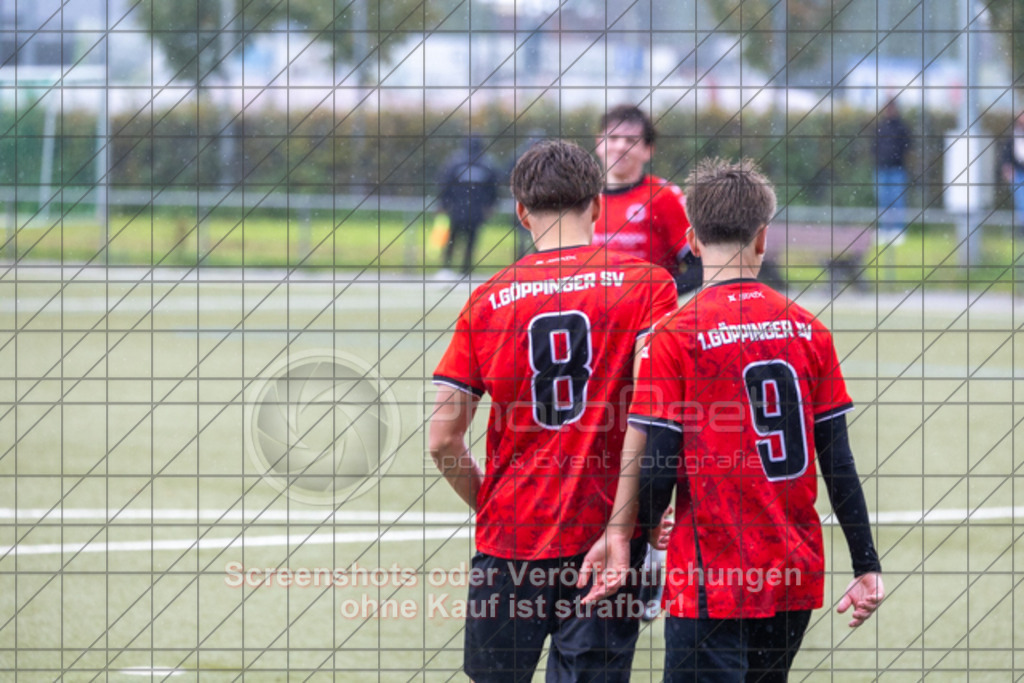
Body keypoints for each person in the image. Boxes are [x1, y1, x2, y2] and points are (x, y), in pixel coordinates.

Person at [579, 158, 885, 681]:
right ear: (763, 238)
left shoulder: (674, 335)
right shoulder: (810, 330)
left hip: (713, 579)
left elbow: (657, 462)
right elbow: (837, 459)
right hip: (792, 574)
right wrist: (866, 565)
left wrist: (642, 533)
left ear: (693, 242)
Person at [428, 139, 678, 682]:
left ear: (521, 212)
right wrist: (655, 513)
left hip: (512, 534)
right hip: (608, 535)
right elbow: (664, 417)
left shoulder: (487, 298)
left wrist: (490, 505)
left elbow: (442, 439)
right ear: (596, 204)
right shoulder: (650, 286)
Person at [593, 104, 702, 295]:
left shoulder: (664, 196)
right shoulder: (580, 199)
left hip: (650, 319)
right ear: (599, 144)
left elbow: (700, 267)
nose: (620, 147)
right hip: (593, 317)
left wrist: (655, 297)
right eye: (613, 138)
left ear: (648, 150)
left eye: (630, 140)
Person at [436, 136, 500, 278]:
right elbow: (494, 189)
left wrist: (443, 203)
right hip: (472, 211)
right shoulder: (487, 163)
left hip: (458, 210)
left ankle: (449, 269)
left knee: (455, 240)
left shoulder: (455, 162)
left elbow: (444, 184)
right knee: (467, 241)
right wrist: (491, 205)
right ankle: (462, 270)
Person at [873, 99, 913, 245]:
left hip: (897, 169)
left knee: (897, 200)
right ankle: (884, 229)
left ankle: (897, 229)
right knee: (883, 200)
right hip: (882, 169)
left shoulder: (901, 127)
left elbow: (907, 146)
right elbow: (874, 146)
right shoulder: (880, 127)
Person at [999, 110, 1024, 232]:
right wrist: (1007, 169)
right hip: (1019, 174)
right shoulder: (1013, 137)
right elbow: (1006, 156)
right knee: (1021, 202)